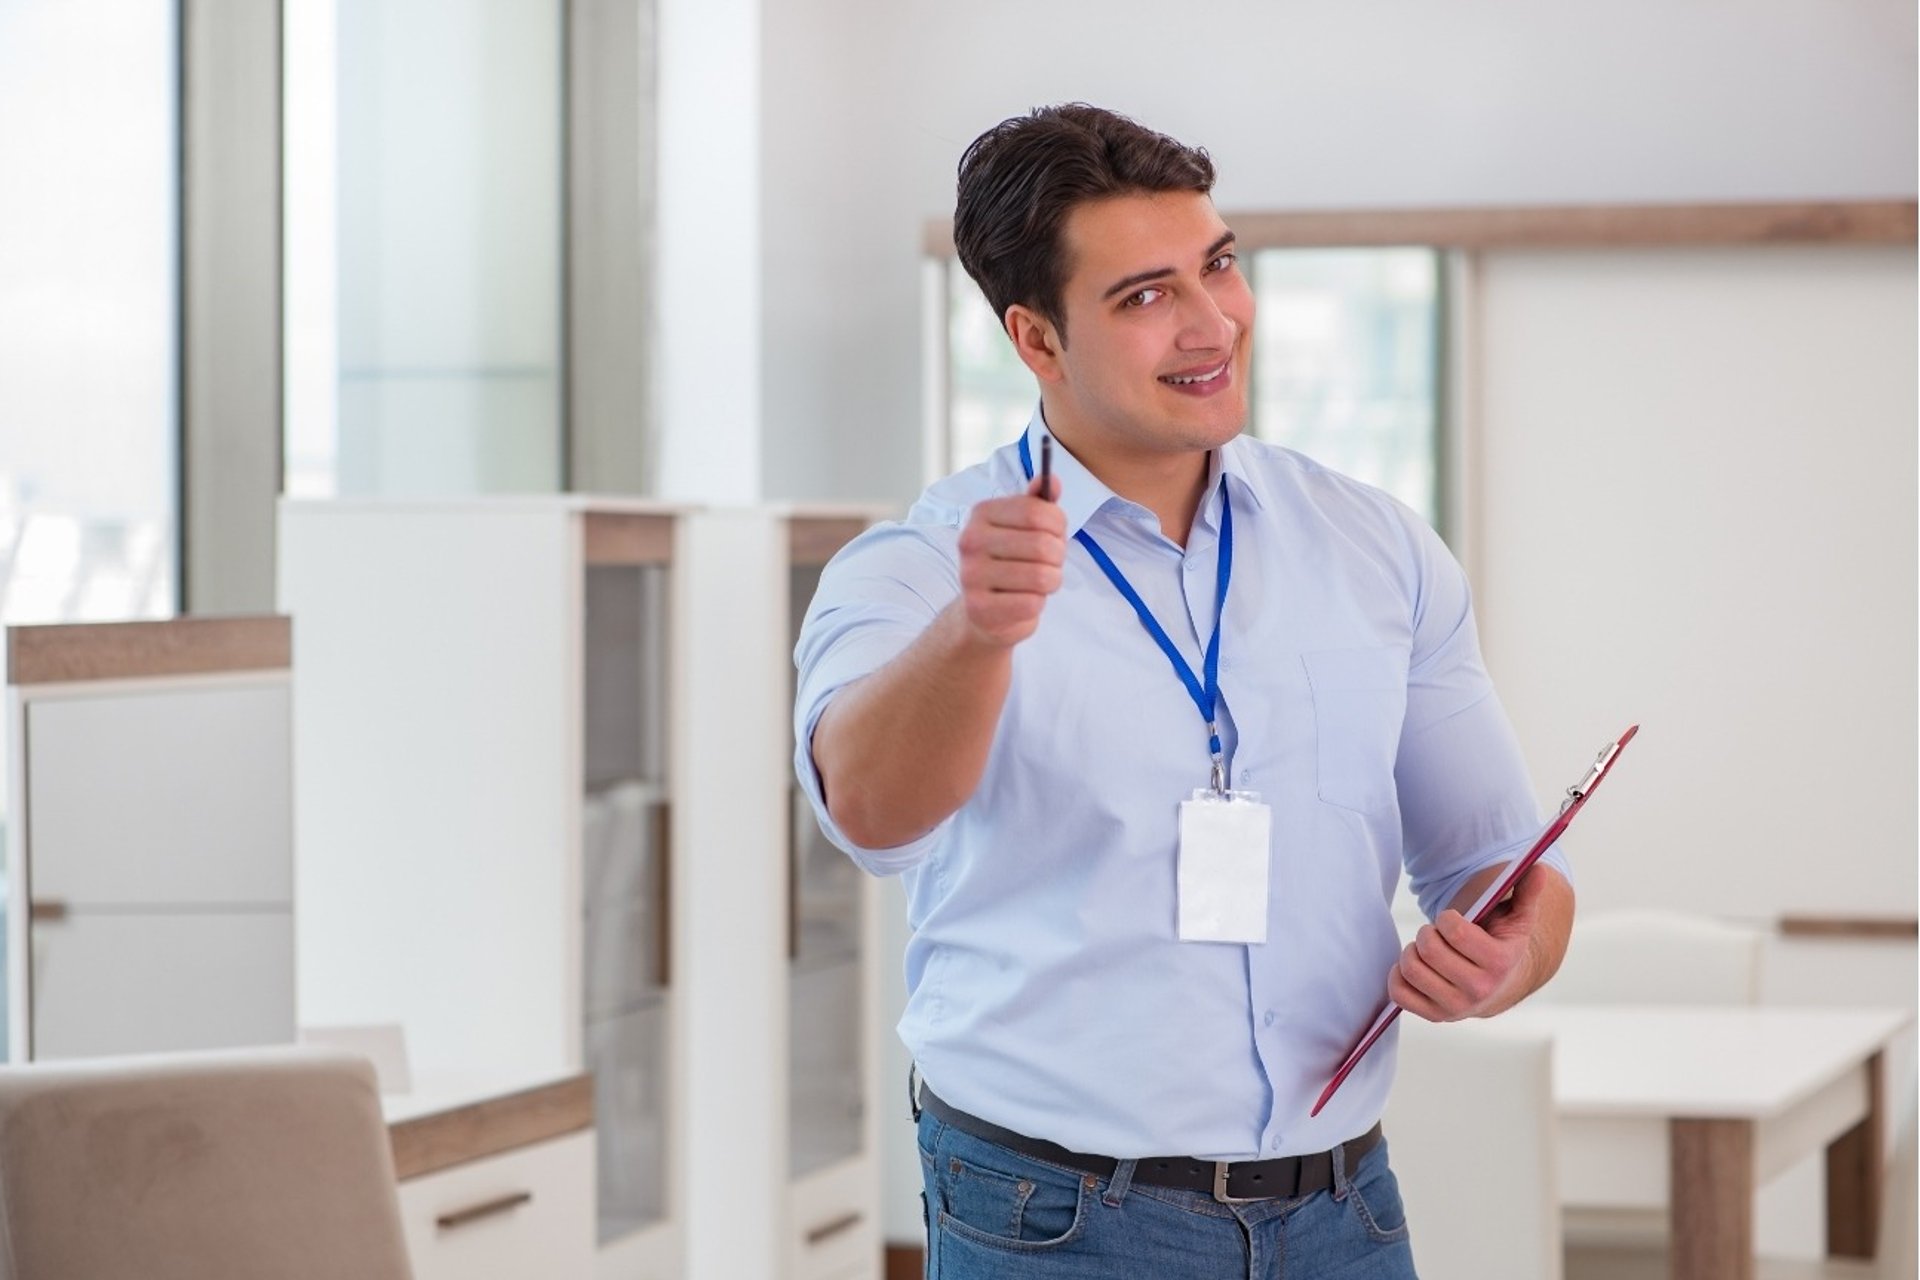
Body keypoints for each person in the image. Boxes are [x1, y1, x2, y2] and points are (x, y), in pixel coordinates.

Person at [792, 103, 1574, 1279]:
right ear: (1036, 340)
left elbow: (1506, 871)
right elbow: (867, 805)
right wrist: (979, 632)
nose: (1213, 324)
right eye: (1145, 295)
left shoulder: (1377, 548)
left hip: (1344, 1210)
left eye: (1217, 266)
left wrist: (1508, 957)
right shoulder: (923, 567)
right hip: (1053, 1219)